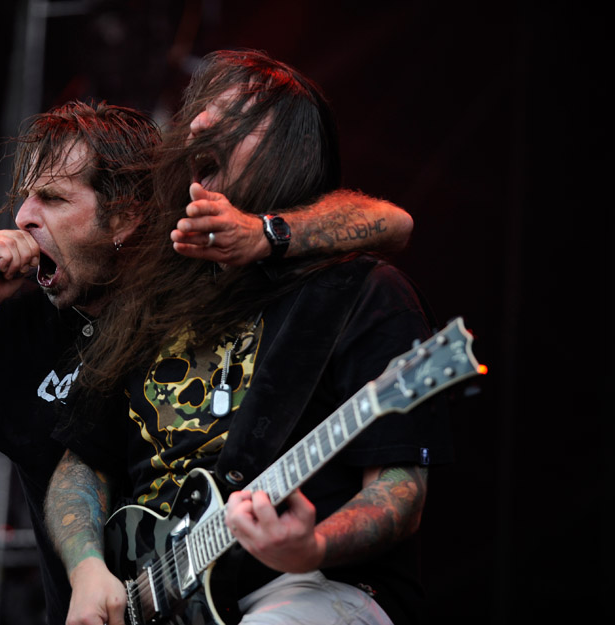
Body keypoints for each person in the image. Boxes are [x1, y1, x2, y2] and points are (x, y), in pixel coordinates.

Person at [0, 97, 413, 623]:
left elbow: (389, 223)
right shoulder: (13, 320)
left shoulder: (189, 284)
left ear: (125, 218)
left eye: (52, 200)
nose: (24, 217)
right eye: (24, 197)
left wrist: (264, 233)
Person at [44, 50, 451, 625]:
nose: (201, 123)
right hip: (157, 599)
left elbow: (398, 491)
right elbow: (80, 463)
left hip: (311, 588)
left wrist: (310, 547)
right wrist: (88, 569)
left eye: (235, 115)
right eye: (202, 109)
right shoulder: (152, 299)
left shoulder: (360, 293)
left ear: (289, 150)